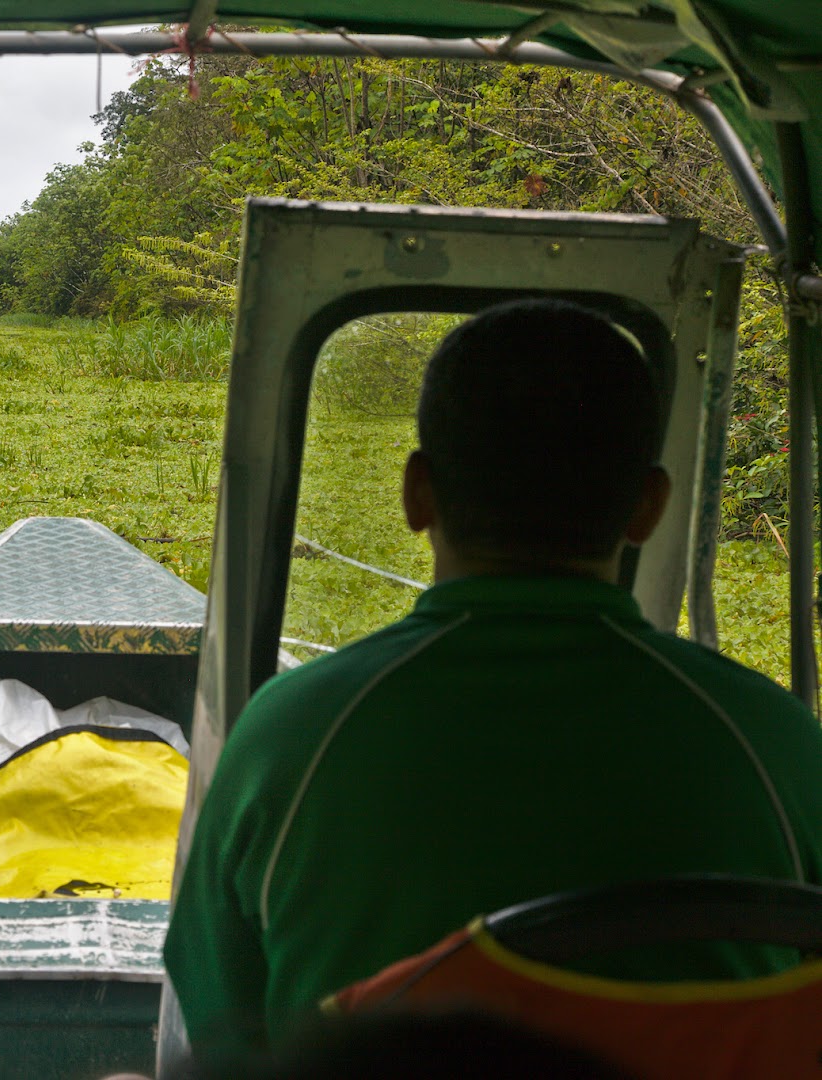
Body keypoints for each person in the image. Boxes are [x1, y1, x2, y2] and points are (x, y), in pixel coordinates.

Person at [161, 299, 822, 1073]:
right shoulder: (776, 743)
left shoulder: (291, 738)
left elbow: (222, 1030)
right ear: (648, 506)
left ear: (418, 493)